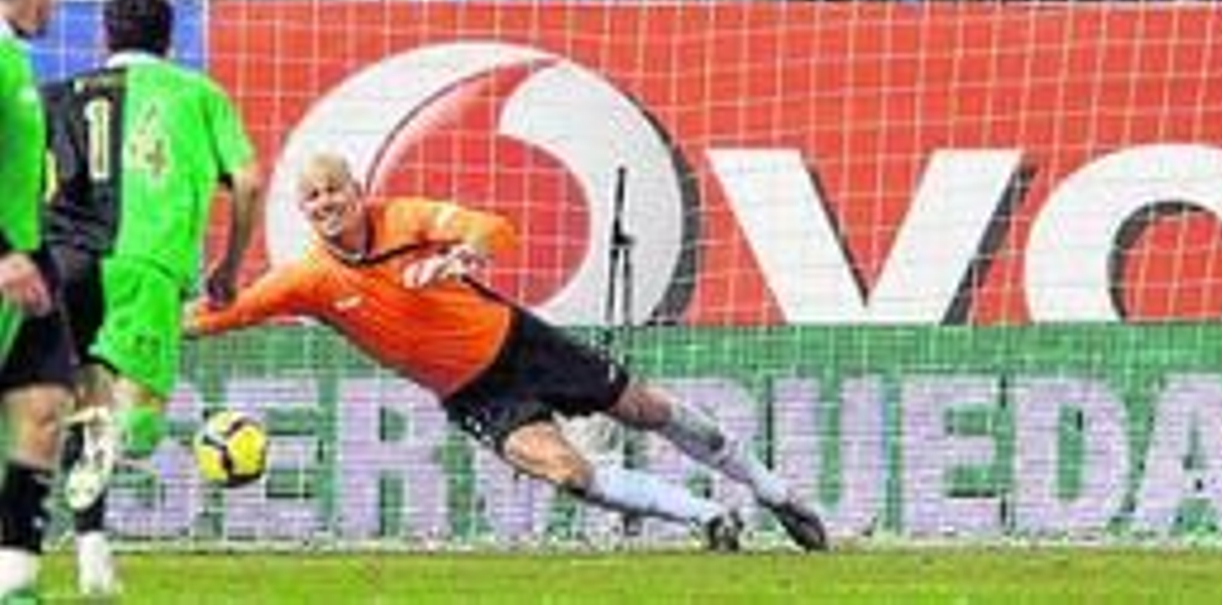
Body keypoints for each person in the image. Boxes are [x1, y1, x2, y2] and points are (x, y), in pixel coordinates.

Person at [186, 153, 829, 553]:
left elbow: (489, 225)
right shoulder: (309, 279)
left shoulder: (406, 218)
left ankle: (774, 491)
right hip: (472, 392)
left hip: (520, 342)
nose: (326, 203)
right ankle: (709, 518)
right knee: (569, 474)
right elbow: (227, 312)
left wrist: (467, 253)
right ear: (303, 211)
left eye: (335, 190)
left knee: (646, 409)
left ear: (358, 190)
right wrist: (137, 327)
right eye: (313, 198)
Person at [43, 0, 265, 597]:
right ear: (169, 42)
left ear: (104, 39)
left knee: (83, 404)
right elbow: (247, 183)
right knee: (132, 423)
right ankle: (101, 468)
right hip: (147, 266)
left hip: (62, 261)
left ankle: (92, 553)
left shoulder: (59, 93)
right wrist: (229, 264)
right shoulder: (199, 93)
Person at [0, 0, 72, 602]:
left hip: (31, 263)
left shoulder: (16, 57)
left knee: (47, 401)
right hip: (7, 262)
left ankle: (14, 578)